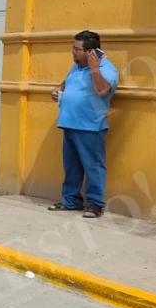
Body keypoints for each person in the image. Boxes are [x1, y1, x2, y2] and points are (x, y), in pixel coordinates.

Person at [49, 30, 119, 219]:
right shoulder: (76, 67)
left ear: (90, 52)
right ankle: (71, 201)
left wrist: (94, 67)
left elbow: (103, 90)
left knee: (93, 166)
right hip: (69, 123)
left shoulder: (107, 69)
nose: (72, 53)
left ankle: (95, 204)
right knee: (71, 166)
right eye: (73, 48)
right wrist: (57, 90)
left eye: (76, 49)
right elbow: (67, 83)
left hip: (90, 127)